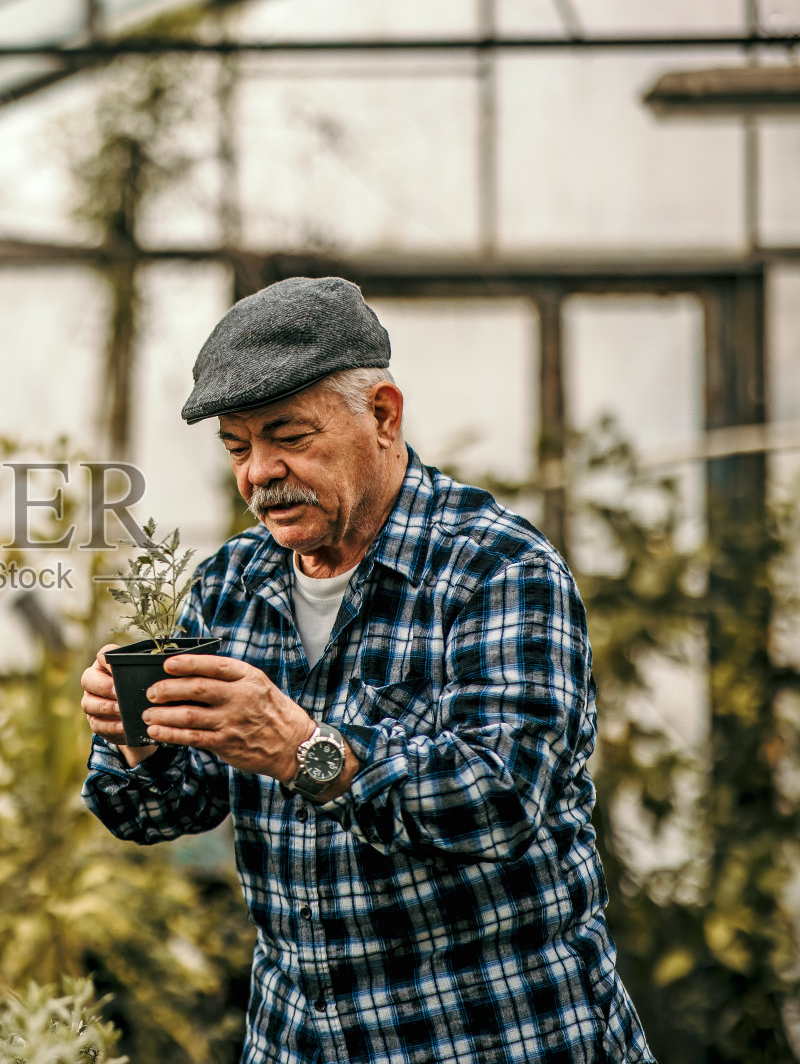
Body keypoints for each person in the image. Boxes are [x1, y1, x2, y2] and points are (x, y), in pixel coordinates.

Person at [79, 276, 653, 1064]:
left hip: (492, 1034)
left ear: (383, 414)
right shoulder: (232, 584)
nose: (259, 472)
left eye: (289, 436)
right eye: (238, 447)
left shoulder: (496, 568)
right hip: (299, 1040)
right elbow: (165, 810)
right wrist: (135, 734)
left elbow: (500, 799)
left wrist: (302, 750)